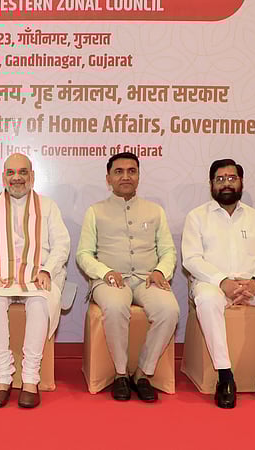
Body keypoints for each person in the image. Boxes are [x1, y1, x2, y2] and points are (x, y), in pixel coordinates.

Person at [182, 159, 255, 409]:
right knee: (207, 299)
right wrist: (221, 281)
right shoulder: (197, 217)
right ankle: (225, 376)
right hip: (212, 283)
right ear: (211, 184)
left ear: (241, 182)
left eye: (231, 178)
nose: (226, 184)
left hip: (252, 283)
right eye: (220, 179)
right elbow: (191, 259)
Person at [0, 154, 70, 408]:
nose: (17, 178)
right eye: (11, 172)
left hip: (38, 275)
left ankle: (30, 378)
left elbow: (62, 244)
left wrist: (47, 270)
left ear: (32, 176)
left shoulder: (48, 207)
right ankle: (2, 377)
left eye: (22, 172)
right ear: (3, 177)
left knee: (39, 300)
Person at [76, 152, 180, 402]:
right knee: (114, 305)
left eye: (131, 171)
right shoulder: (95, 211)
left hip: (147, 278)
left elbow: (168, 250)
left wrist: (160, 271)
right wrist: (104, 272)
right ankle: (121, 374)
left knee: (169, 310)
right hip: (110, 279)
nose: (126, 176)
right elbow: (83, 254)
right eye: (119, 172)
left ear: (138, 176)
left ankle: (143, 373)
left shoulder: (155, 210)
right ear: (108, 178)